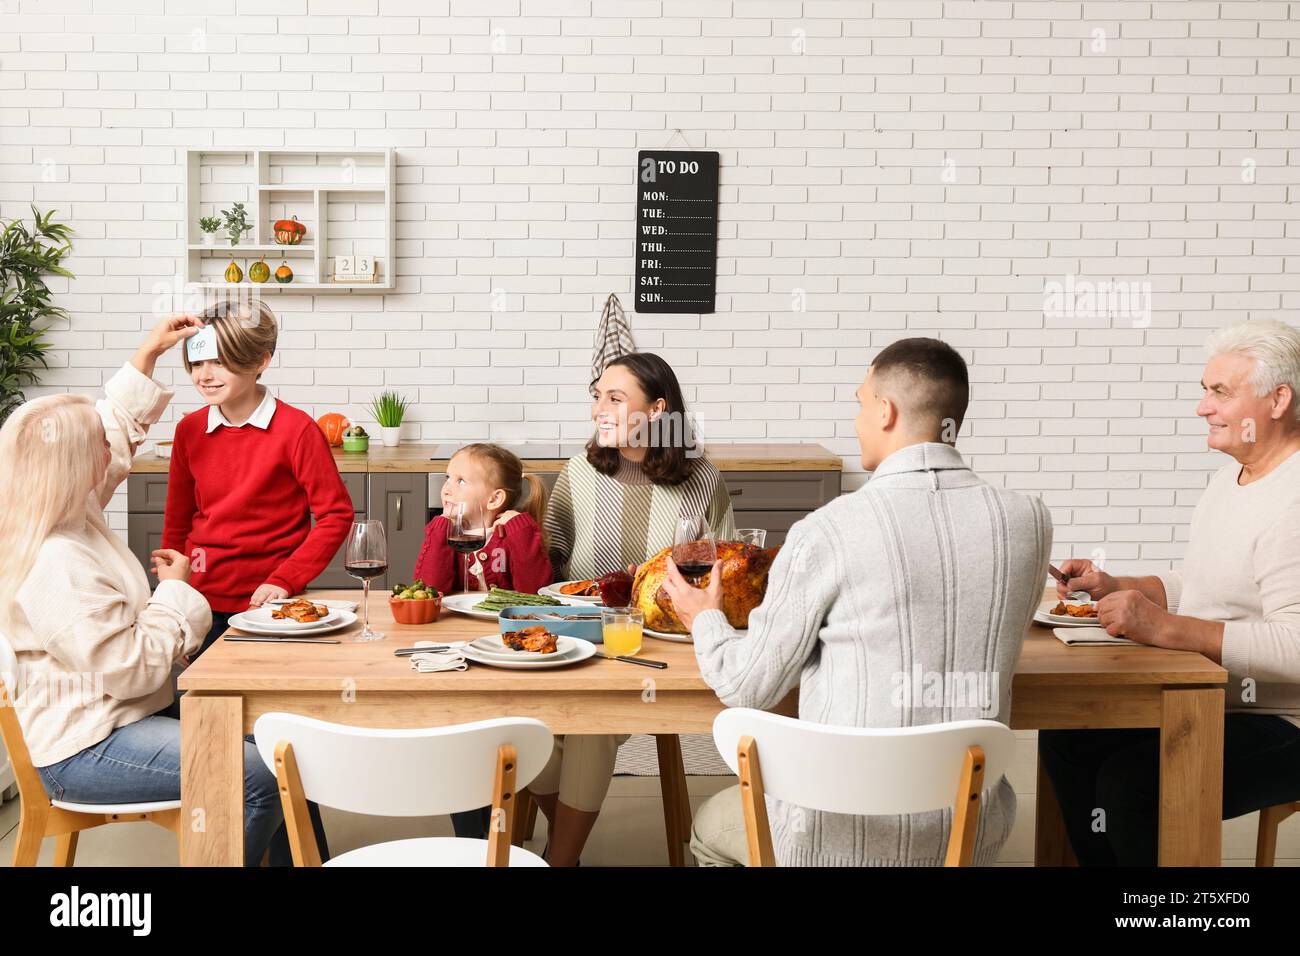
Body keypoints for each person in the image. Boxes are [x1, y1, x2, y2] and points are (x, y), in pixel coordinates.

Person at [665, 337, 1053, 866]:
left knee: (711, 829)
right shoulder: (1028, 520)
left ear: (886, 410)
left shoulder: (827, 529)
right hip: (966, 833)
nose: (856, 420)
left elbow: (746, 685)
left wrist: (705, 617)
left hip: (835, 838)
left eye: (859, 402)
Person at [0, 315, 287, 866]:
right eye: (100, 448)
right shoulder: (55, 562)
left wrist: (150, 353)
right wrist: (174, 593)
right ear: (74, 465)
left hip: (118, 718)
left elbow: (114, 425)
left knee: (272, 736)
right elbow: (133, 670)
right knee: (258, 776)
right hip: (86, 747)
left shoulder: (57, 512)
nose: (115, 453)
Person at [1039, 319, 1300, 866]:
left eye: (1220, 392)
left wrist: (1165, 627)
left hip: (1280, 721)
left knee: (1131, 784)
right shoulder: (1236, 478)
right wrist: (1120, 587)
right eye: (1205, 391)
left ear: (1279, 400)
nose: (1203, 407)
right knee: (1068, 736)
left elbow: (1295, 644)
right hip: (1210, 702)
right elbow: (1210, 590)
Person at [535, 352, 738, 866]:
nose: (597, 408)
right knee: (521, 719)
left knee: (591, 723)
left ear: (657, 410)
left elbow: (725, 577)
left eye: (615, 397)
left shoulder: (702, 481)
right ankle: (566, 843)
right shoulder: (580, 473)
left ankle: (560, 858)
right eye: (597, 396)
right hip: (574, 641)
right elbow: (549, 566)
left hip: (658, 650)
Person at [162, 298, 354, 656]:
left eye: (219, 362)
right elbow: (177, 521)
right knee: (204, 700)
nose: (205, 375)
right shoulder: (188, 431)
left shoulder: (297, 431)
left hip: (269, 605)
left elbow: (336, 515)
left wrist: (285, 579)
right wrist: (173, 595)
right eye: (197, 363)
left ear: (260, 360)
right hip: (198, 602)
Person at [414, 443, 552, 595]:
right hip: (456, 619)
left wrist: (522, 531)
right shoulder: (446, 535)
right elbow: (429, 590)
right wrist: (440, 527)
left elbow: (535, 591)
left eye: (461, 481)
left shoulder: (512, 538)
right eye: (448, 478)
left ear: (494, 499)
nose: (446, 489)